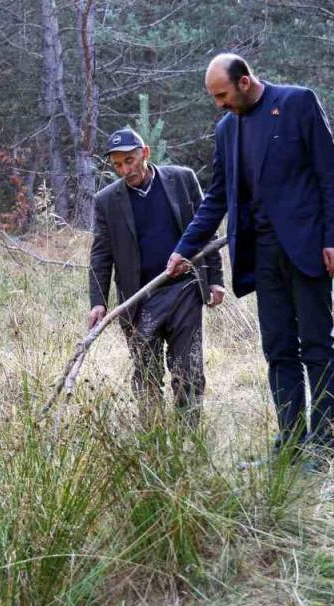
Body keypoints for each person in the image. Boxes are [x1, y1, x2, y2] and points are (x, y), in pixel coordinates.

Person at [165, 54, 334, 467]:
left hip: (308, 250)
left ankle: (326, 444)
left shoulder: (298, 103)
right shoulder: (226, 129)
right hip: (261, 256)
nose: (218, 103)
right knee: (278, 349)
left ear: (245, 81)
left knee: (317, 347)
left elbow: (329, 174)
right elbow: (216, 199)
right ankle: (290, 442)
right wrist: (184, 249)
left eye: (222, 94)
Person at [88, 128, 226, 425]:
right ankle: (154, 439)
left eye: (130, 160)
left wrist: (215, 278)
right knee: (146, 375)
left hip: (184, 291)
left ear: (145, 153)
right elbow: (101, 255)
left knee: (188, 371)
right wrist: (98, 302)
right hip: (138, 302)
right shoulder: (107, 201)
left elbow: (207, 231)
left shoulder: (182, 179)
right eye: (118, 165)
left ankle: (188, 439)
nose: (125, 170)